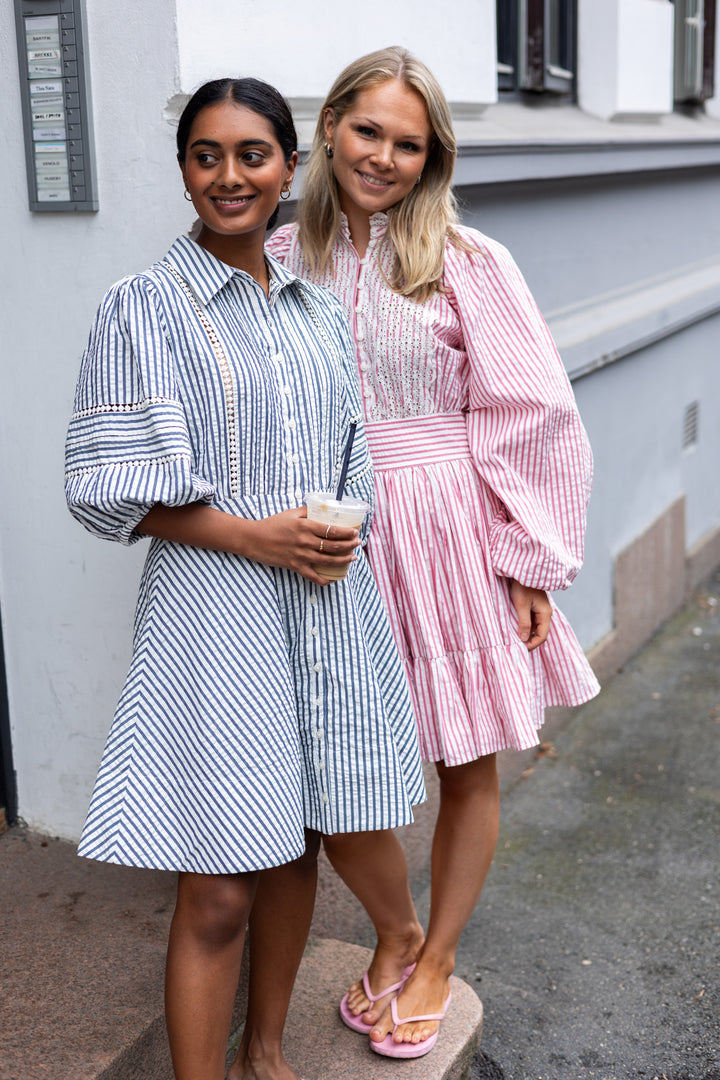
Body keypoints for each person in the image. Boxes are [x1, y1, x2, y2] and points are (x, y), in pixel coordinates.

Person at [64, 76, 425, 1080]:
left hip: (324, 605)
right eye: (206, 155)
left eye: (251, 154)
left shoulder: (312, 309)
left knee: (296, 844)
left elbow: (356, 453)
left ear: (288, 169)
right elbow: (104, 487)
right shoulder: (143, 307)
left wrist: (347, 534)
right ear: (184, 172)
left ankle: (263, 1052)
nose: (229, 175)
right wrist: (253, 538)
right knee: (218, 886)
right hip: (215, 615)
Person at [266, 46, 601, 1060]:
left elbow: (533, 411)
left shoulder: (467, 260)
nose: (385, 157)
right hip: (333, 539)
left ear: (432, 157)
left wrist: (529, 560)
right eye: (369, 131)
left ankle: (441, 956)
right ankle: (398, 930)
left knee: (466, 761)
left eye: (410, 143)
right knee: (337, 769)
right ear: (329, 126)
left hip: (450, 526)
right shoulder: (279, 258)